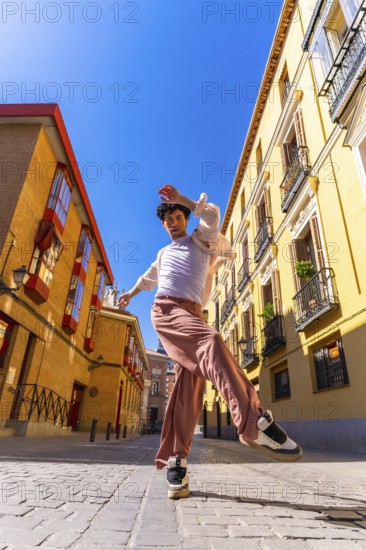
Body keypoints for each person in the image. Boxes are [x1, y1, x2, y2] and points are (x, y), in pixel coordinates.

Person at [118, 184, 302, 499]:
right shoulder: (163, 254)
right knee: (212, 340)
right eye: (169, 219)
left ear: (186, 219)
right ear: (164, 225)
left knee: (188, 385)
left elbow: (213, 214)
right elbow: (147, 278)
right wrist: (130, 294)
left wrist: (184, 200)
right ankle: (253, 421)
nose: (174, 222)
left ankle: (177, 461)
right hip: (167, 309)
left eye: (179, 216)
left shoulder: (201, 241)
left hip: (192, 313)